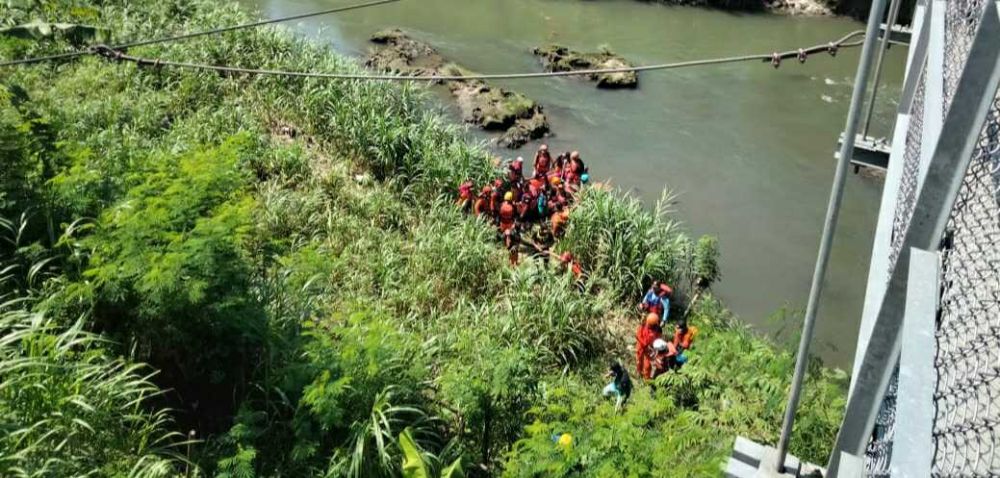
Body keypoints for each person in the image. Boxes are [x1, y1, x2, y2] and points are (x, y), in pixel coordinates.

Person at [635, 313, 662, 380]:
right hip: (641, 346)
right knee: (639, 360)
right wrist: (645, 344)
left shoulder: (658, 329)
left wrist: (655, 348)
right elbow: (638, 336)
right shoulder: (643, 325)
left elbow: (658, 339)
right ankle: (639, 371)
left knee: (647, 365)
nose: (648, 325)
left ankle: (646, 378)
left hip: (650, 348)